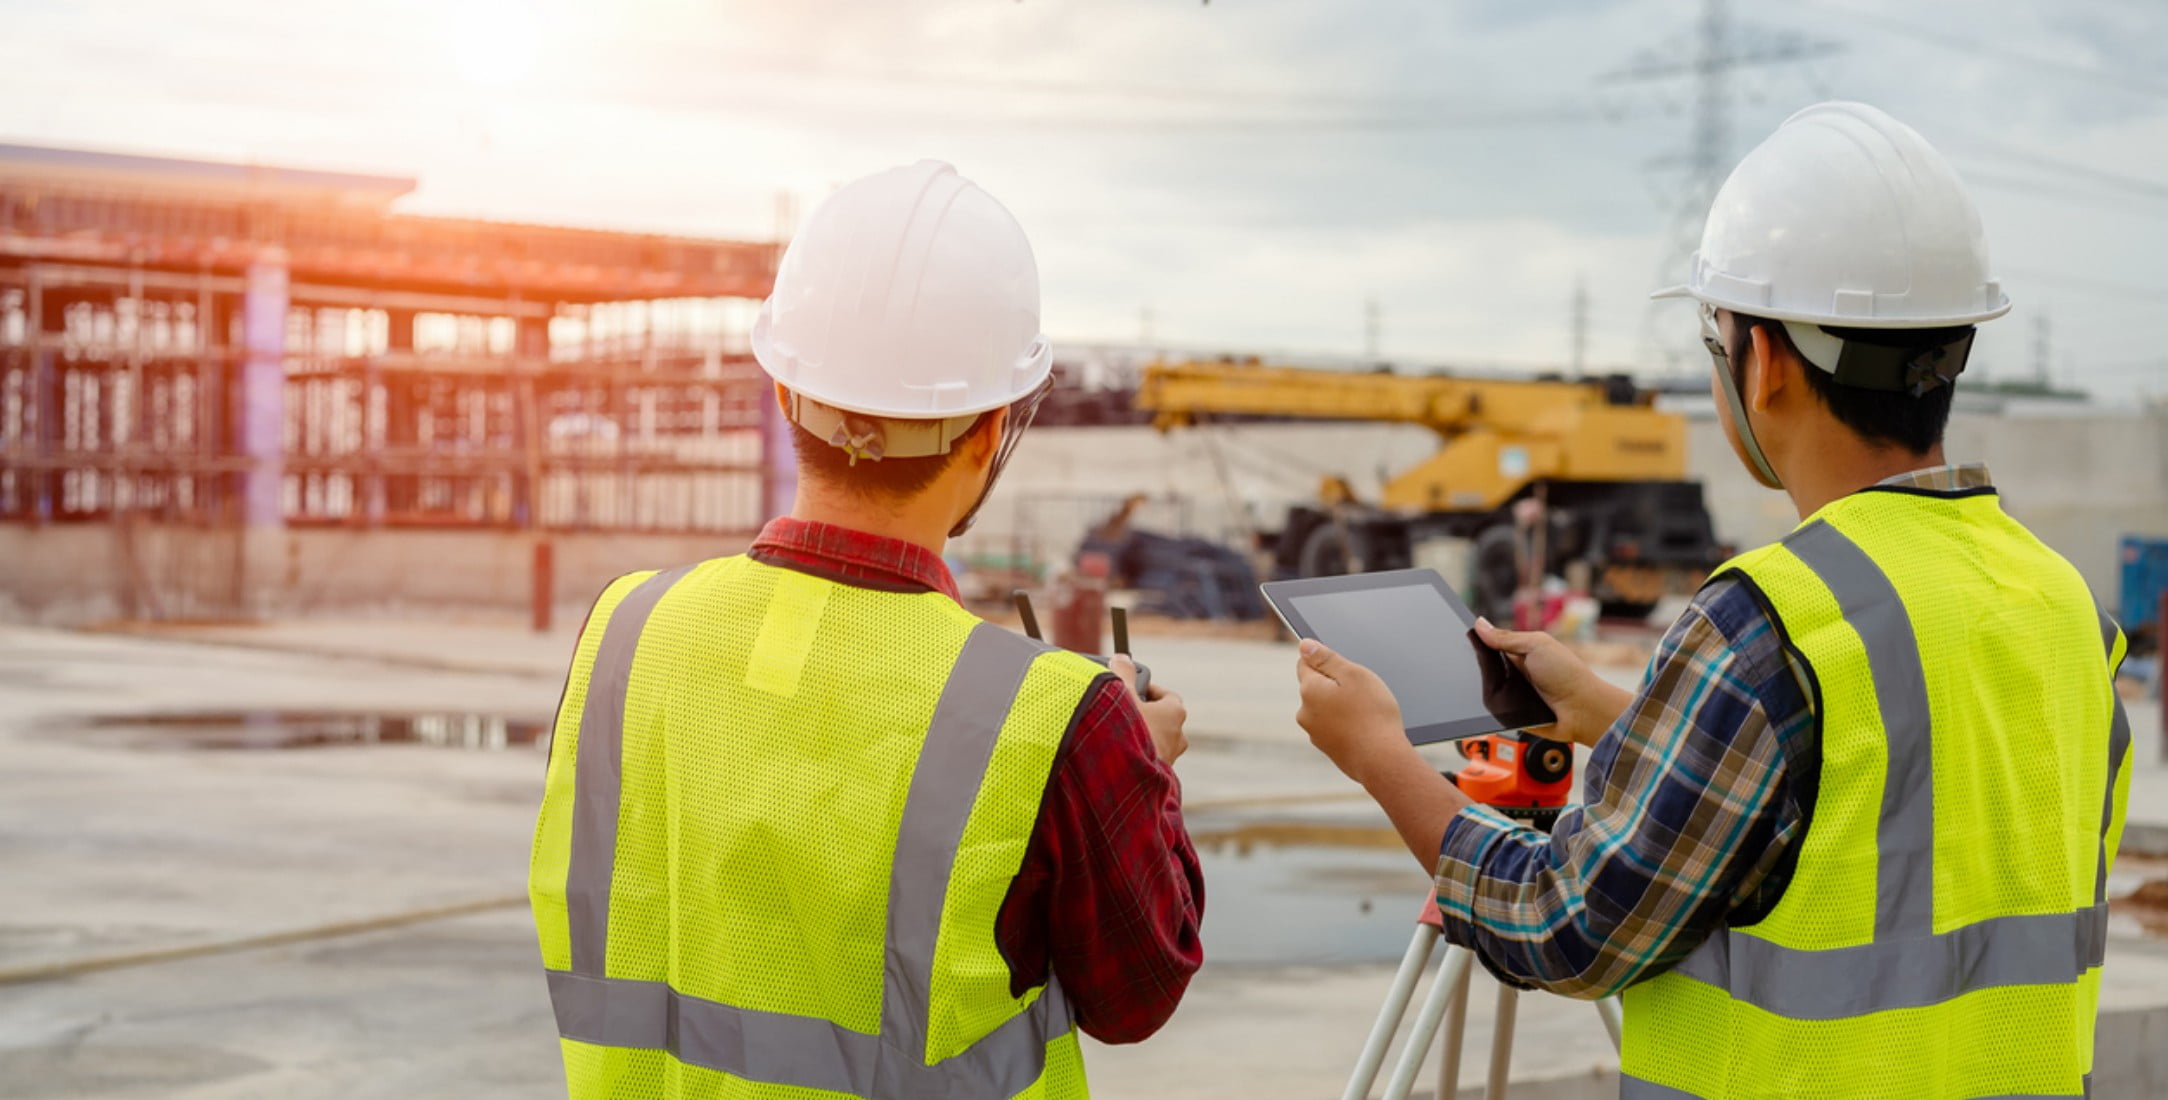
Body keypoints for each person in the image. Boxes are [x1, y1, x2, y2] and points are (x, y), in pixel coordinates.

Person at [1292, 102, 2131, 1099]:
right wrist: (1618, 713)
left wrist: (1379, 756)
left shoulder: (1768, 621)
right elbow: (1891, 798)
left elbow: (1561, 925)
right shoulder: (2064, 606)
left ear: (1763, 359)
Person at [529, 160, 1203, 1099]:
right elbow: (1136, 996)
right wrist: (1145, 770)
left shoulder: (625, 629)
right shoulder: (1061, 717)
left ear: (781, 393)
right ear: (989, 431)